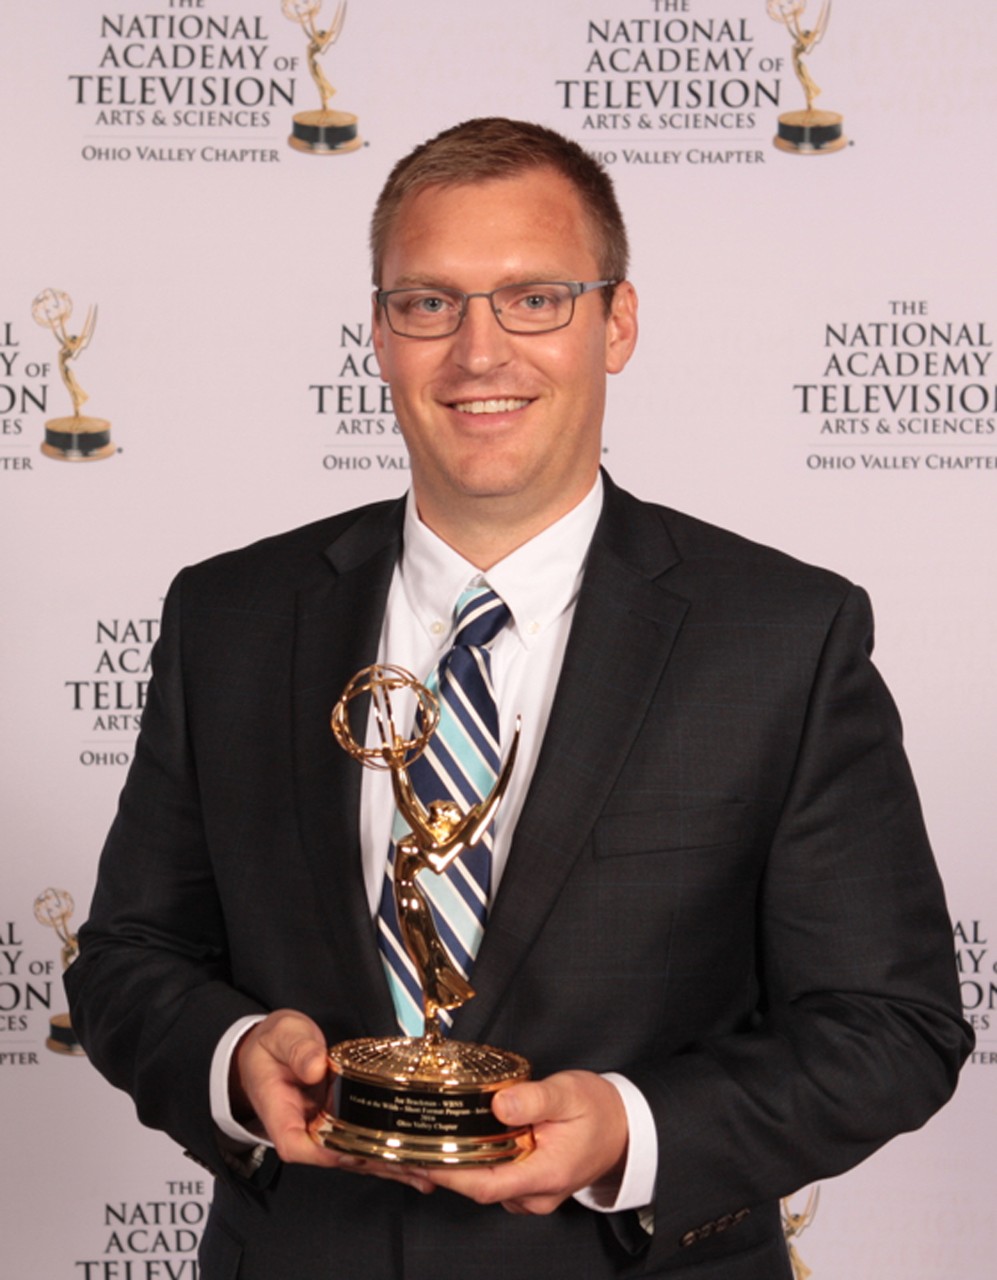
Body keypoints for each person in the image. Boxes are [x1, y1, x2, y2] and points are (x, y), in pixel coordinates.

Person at [67, 117, 971, 1280]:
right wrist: (235, 1054)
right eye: (427, 302)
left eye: (534, 298)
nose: (477, 351)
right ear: (381, 334)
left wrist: (634, 1130)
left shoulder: (784, 635)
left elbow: (892, 1026)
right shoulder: (231, 616)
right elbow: (129, 954)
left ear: (617, 322)